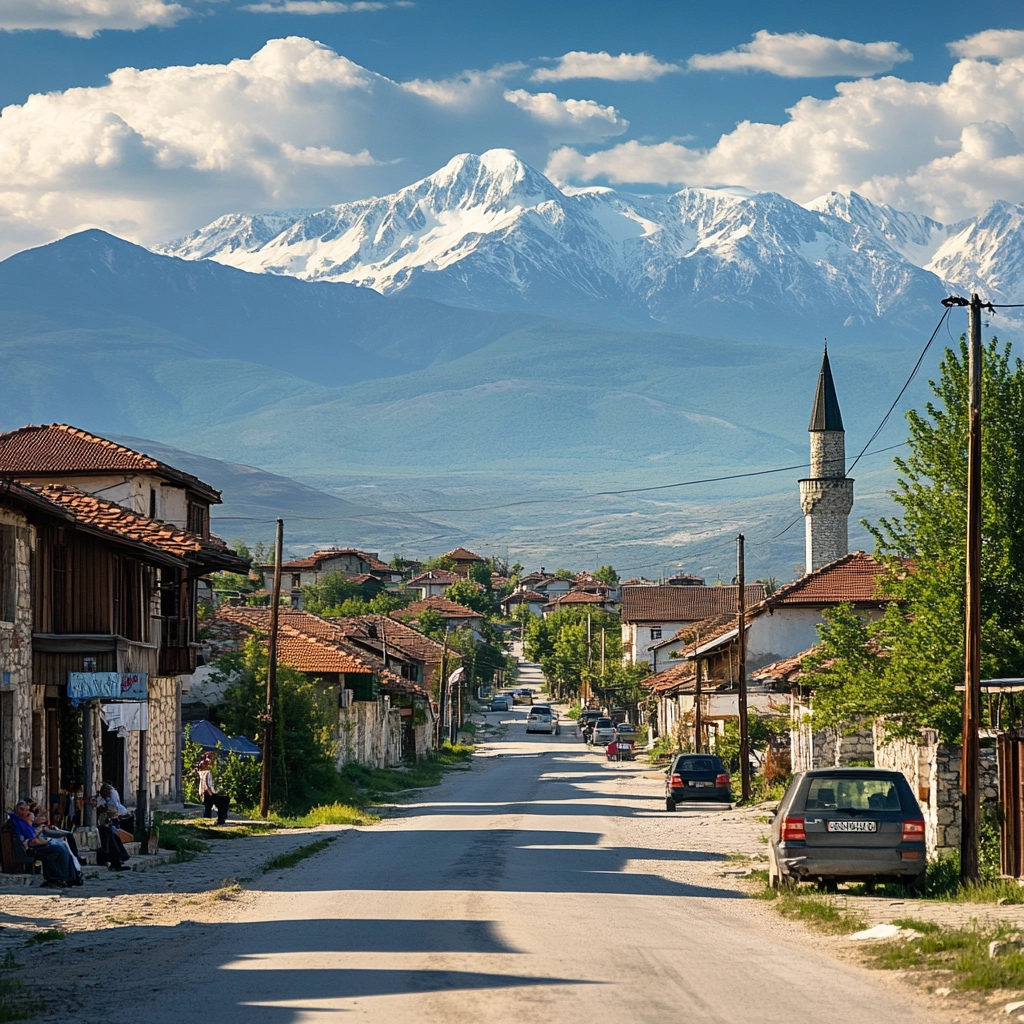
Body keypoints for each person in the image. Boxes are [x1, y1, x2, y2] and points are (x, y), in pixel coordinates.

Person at [7, 801, 77, 889]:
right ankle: (63, 876)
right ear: (20, 810)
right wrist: (38, 832)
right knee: (60, 848)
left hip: (33, 844)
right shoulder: (17, 821)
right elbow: (28, 839)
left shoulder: (20, 820)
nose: (28, 813)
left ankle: (59, 876)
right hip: (31, 848)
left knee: (62, 845)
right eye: (26, 811)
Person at [94, 784, 131, 871]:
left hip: (104, 823)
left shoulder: (105, 799)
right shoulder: (99, 800)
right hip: (99, 825)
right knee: (109, 833)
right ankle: (116, 860)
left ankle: (119, 858)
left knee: (114, 834)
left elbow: (112, 809)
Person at [197, 752, 230, 825]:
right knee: (222, 802)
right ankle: (220, 819)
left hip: (209, 791)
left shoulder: (212, 768)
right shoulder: (205, 765)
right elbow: (205, 781)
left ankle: (218, 819)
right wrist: (210, 791)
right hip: (209, 792)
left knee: (219, 803)